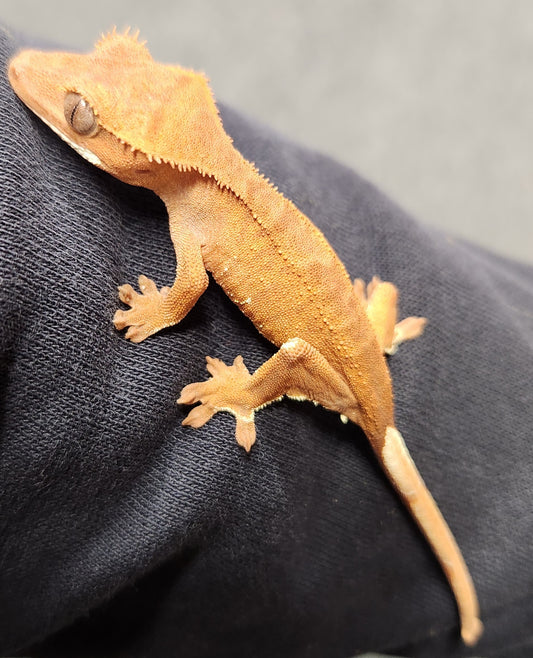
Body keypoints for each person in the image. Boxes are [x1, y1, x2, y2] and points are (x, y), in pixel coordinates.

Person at [1, 26, 532, 658]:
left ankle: (479, 611)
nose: (28, 68)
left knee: (304, 354)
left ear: (141, 156)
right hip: (362, 328)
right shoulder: (196, 188)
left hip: (339, 379)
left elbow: (184, 293)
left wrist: (239, 391)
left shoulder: (192, 213)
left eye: (81, 117)